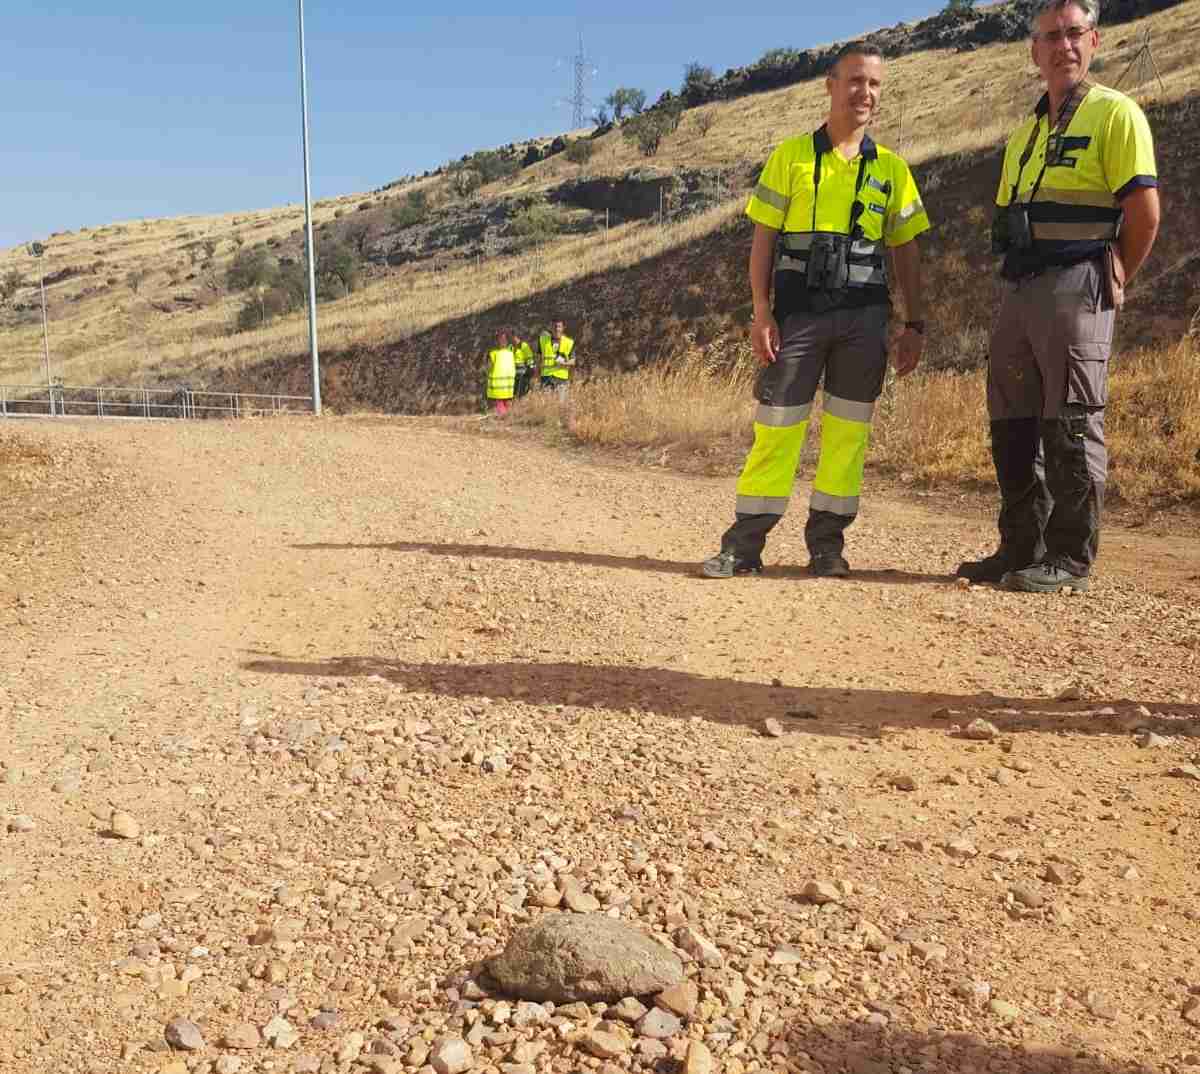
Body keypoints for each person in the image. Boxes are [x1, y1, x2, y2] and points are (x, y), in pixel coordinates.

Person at [701, 41, 929, 580]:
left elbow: (908, 251)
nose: (864, 93)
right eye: (854, 80)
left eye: (874, 84)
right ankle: (744, 545)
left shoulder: (893, 169)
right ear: (830, 85)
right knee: (777, 428)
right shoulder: (790, 157)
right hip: (798, 317)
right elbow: (763, 241)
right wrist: (761, 311)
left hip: (865, 321)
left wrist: (914, 323)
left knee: (848, 434)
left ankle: (827, 546)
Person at [956, 0, 1159, 593]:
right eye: (1050, 36)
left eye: (1074, 34)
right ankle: (1022, 547)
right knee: (1012, 422)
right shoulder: (1025, 131)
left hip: (1078, 281)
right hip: (1020, 286)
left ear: (1093, 42)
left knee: (1071, 420)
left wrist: (1119, 267)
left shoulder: (1115, 114)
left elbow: (1144, 213)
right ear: (1034, 51)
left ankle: (1070, 558)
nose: (1063, 46)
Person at [485, 329, 516, 415]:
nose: (502, 341)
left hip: (500, 387)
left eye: (503, 339)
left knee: (503, 408)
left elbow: (488, 367)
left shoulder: (493, 353)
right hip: (507, 387)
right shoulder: (511, 352)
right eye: (501, 339)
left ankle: (504, 418)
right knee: (505, 407)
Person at [538, 319, 576, 390]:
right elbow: (539, 360)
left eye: (559, 326)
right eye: (554, 326)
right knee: (546, 401)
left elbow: (573, 361)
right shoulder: (542, 340)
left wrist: (564, 363)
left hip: (561, 378)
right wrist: (537, 377)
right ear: (551, 327)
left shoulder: (569, 342)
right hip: (546, 377)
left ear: (563, 328)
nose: (556, 329)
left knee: (560, 401)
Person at [512, 331, 535, 398]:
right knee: (514, 394)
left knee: (520, 394)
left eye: (514, 337)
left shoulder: (523, 345)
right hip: (513, 374)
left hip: (523, 374)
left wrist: (530, 371)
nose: (513, 339)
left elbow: (530, 359)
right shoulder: (511, 347)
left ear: (517, 337)